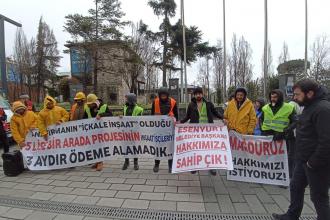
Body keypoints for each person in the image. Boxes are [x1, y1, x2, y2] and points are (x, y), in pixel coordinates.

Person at [272, 79, 330, 220]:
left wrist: (313, 162)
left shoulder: (323, 109)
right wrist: (285, 132)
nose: (294, 98)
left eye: (297, 94)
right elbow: (300, 123)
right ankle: (292, 216)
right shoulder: (310, 106)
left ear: (309, 93)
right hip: (302, 159)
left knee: (318, 197)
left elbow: (327, 141)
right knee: (296, 187)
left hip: (316, 164)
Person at [180, 87, 223, 176]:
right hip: (195, 131)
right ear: (194, 95)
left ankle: (211, 166)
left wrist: (223, 118)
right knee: (195, 148)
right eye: (196, 94)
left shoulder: (208, 104)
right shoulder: (191, 105)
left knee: (209, 148)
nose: (198, 95)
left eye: (200, 93)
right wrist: (180, 122)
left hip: (207, 130)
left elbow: (215, 113)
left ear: (202, 94)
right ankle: (195, 166)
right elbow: (187, 116)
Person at [261, 89, 297, 178]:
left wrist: (286, 130)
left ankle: (285, 176)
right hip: (269, 136)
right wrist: (263, 130)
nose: (273, 99)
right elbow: (261, 119)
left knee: (283, 157)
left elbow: (295, 121)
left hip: (283, 137)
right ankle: (271, 174)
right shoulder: (265, 108)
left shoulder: (289, 107)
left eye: (275, 97)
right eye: (271, 97)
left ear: (280, 97)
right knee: (269, 155)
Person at [151, 87, 178, 173]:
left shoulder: (173, 102)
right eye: (161, 95)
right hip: (158, 130)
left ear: (167, 95)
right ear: (159, 95)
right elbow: (151, 116)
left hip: (169, 130)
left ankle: (170, 165)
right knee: (158, 147)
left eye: (164, 95)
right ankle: (156, 164)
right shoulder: (155, 102)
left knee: (170, 148)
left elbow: (176, 116)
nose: (163, 97)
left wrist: (174, 121)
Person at [84, 94, 113, 171]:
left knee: (100, 147)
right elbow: (84, 119)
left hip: (101, 131)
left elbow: (110, 115)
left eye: (90, 104)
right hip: (92, 131)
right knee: (94, 147)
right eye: (88, 104)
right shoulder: (88, 109)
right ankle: (97, 162)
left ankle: (100, 163)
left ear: (95, 102)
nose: (89, 106)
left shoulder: (104, 106)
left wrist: (101, 114)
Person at [121, 93, 143, 171]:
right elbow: (124, 117)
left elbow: (139, 120)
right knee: (125, 147)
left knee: (134, 147)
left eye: (127, 99)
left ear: (130, 99)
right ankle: (126, 162)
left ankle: (135, 162)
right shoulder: (125, 107)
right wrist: (121, 117)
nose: (125, 100)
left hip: (134, 131)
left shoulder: (138, 109)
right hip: (126, 131)